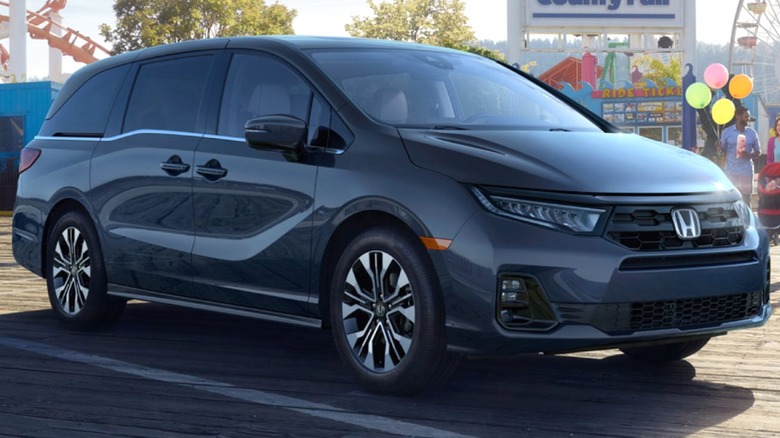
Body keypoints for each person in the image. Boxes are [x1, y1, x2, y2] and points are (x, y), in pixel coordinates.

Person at [719, 107, 761, 203]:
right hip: (731, 170)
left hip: (746, 170)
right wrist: (719, 148)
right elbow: (721, 151)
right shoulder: (727, 132)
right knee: (730, 199)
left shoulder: (752, 133)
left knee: (746, 199)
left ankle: (746, 217)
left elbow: (758, 152)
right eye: (746, 117)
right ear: (738, 117)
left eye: (749, 117)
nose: (748, 119)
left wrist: (748, 155)